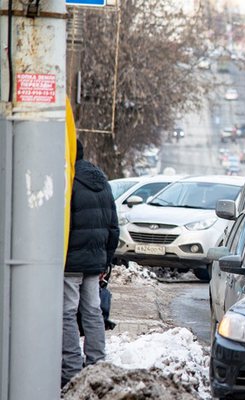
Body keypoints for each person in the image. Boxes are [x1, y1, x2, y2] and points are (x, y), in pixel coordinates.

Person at [62, 139, 119, 387]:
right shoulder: (102, 182)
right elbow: (114, 227)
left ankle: (71, 370)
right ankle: (96, 364)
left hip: (71, 261)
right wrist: (106, 262)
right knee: (93, 312)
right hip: (95, 261)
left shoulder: (69, 181)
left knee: (66, 313)